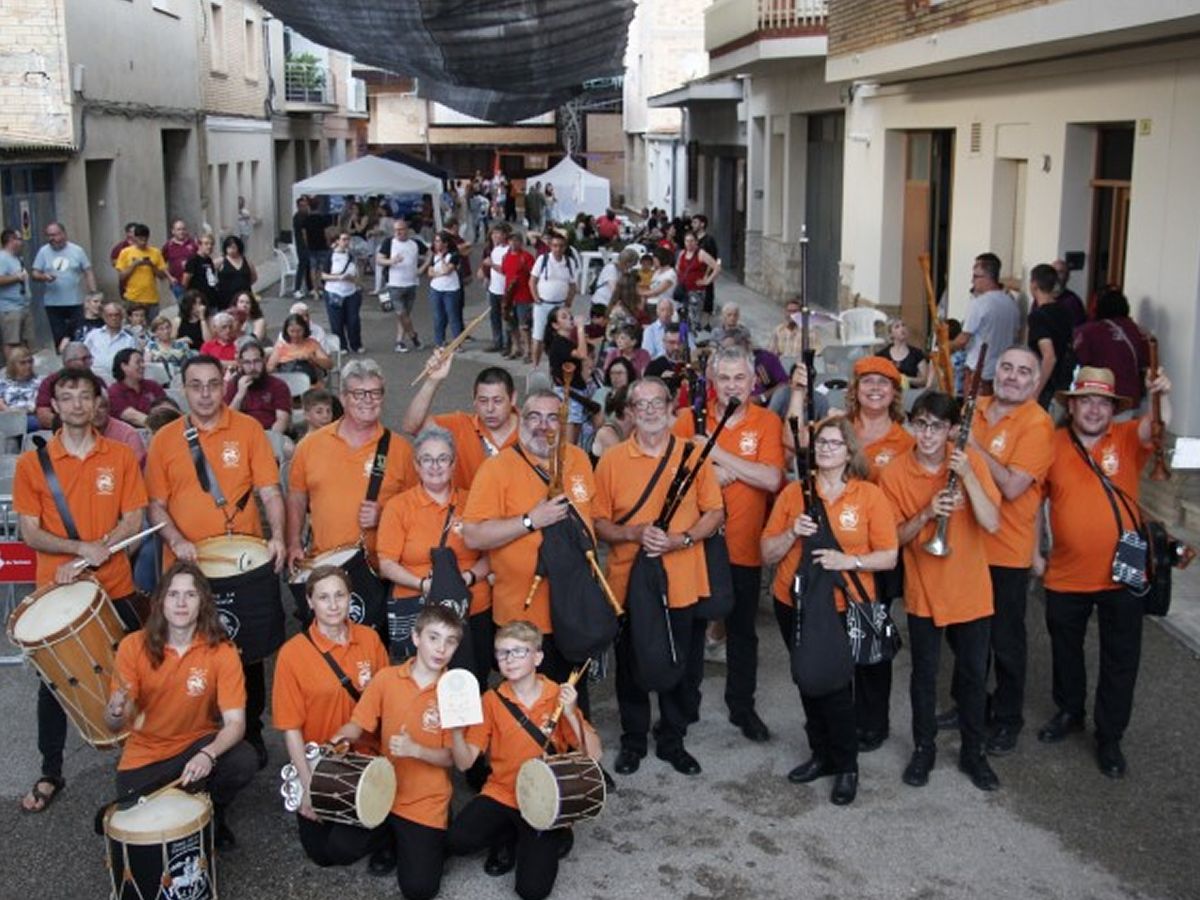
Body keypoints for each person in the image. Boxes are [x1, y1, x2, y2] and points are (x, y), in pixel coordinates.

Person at [14, 367, 147, 813]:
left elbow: (133, 519)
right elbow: (30, 531)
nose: (75, 405)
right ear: (54, 406)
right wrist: (77, 549)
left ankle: (143, 755)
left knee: (135, 669)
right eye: (66, 397)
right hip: (58, 591)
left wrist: (103, 548)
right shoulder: (32, 464)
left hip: (115, 584)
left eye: (84, 396)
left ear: (96, 404)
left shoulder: (121, 457)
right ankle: (51, 770)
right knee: (53, 684)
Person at [145, 354, 286, 765]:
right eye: (196, 385)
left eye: (212, 384)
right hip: (188, 567)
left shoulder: (247, 430)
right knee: (195, 650)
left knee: (249, 649)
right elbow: (155, 505)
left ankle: (252, 730)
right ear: (183, 389)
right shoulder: (165, 440)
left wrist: (277, 535)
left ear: (223, 384)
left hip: (242, 563)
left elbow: (270, 491)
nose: (205, 393)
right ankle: (202, 733)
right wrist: (176, 538)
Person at [1035, 365, 1171, 778]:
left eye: (1103, 402)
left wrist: (1163, 393)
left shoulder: (1128, 438)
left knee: (1121, 658)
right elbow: (1030, 505)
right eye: (1087, 400)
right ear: (1072, 405)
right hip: (1065, 573)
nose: (1094, 409)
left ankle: (1110, 736)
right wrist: (1033, 556)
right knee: (1065, 650)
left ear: (1113, 409)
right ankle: (1070, 710)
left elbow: (1159, 427)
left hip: (1123, 575)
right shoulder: (1052, 444)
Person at [761, 416, 898, 804]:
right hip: (797, 603)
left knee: (837, 686)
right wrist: (793, 533)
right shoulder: (793, 494)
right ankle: (820, 753)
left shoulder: (868, 496)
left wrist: (847, 561)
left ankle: (846, 765)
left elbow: (889, 557)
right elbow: (766, 552)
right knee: (807, 679)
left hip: (843, 605)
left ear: (850, 451)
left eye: (835, 443)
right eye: (821, 442)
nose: (825, 449)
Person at [594, 377, 724, 776]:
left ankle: (672, 737)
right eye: (641, 405)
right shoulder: (613, 461)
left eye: (657, 403)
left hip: (681, 577)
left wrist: (679, 539)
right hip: (627, 581)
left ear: (672, 408)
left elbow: (714, 514)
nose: (650, 411)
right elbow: (598, 522)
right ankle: (633, 740)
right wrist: (632, 533)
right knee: (631, 663)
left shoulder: (693, 455)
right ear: (630, 413)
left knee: (680, 662)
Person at [878, 391, 1002, 792]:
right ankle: (923, 748)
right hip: (924, 592)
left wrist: (966, 476)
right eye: (920, 423)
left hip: (971, 590)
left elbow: (993, 522)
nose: (927, 433)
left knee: (971, 677)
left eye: (936, 425)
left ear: (951, 429)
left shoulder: (970, 462)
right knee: (924, 677)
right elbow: (893, 538)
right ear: (911, 424)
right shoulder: (895, 473)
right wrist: (928, 512)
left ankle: (973, 752)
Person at [672, 347, 785, 743]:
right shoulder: (688, 419)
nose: (732, 385)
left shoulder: (767, 423)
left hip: (744, 546)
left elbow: (771, 479)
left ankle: (742, 706)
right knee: (691, 627)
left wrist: (716, 455)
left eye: (740, 378)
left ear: (753, 381)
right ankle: (684, 707)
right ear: (712, 381)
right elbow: (670, 471)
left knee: (742, 631)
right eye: (725, 378)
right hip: (696, 543)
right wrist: (709, 473)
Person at [105, 561, 258, 848]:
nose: (181, 603)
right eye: (174, 594)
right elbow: (113, 725)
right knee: (135, 817)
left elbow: (236, 724)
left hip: (196, 745)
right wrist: (115, 711)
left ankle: (216, 813)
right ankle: (188, 800)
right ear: (161, 601)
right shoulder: (132, 646)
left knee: (243, 760)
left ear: (202, 602)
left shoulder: (222, 651)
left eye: (190, 594)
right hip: (146, 755)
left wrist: (208, 755)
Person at [462, 390, 597, 708]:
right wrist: (529, 521)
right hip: (522, 615)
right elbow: (473, 535)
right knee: (529, 704)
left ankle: (576, 755)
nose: (543, 425)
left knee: (573, 699)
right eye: (534, 416)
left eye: (553, 417)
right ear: (520, 419)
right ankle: (530, 758)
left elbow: (594, 519)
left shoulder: (578, 459)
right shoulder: (497, 469)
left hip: (574, 610)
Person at [447, 621, 602, 896]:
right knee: (458, 840)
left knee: (532, 891)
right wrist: (457, 733)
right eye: (502, 652)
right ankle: (510, 834)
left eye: (519, 651)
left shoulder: (558, 694)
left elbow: (593, 755)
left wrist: (570, 712)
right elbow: (464, 763)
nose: (509, 659)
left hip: (545, 798)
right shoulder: (491, 700)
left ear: (538, 657)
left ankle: (555, 831)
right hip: (503, 792)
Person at [329, 606, 463, 898]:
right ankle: (390, 840)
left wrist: (416, 749)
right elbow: (358, 723)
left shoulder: (456, 691)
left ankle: (433, 829)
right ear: (415, 638)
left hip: (425, 800)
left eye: (450, 641)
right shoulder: (387, 678)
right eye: (433, 637)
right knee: (339, 848)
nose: (441, 648)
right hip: (383, 790)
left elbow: (453, 758)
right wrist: (340, 738)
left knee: (419, 890)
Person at [961, 345, 1054, 756]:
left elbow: (1014, 486)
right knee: (965, 635)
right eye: (1007, 368)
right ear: (995, 372)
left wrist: (971, 448)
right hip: (966, 543)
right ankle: (972, 705)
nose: (1013, 377)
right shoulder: (974, 406)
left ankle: (1008, 717)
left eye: (1023, 372)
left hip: (1007, 551)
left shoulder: (1037, 423)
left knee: (1005, 641)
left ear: (1035, 382)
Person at [271, 565, 392, 872]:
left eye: (340, 595)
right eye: (324, 597)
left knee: (342, 849)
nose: (334, 604)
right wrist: (309, 785)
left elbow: (386, 705)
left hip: (366, 759)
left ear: (351, 598)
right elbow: (290, 727)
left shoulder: (370, 640)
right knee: (321, 854)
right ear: (310, 602)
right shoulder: (292, 654)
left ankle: (391, 825)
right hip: (322, 763)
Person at [377, 427, 491, 677]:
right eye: (427, 459)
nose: (435, 466)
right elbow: (386, 563)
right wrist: (423, 584)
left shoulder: (473, 502)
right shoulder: (398, 507)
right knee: (421, 686)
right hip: (418, 607)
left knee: (472, 683)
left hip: (472, 608)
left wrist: (467, 579)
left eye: (442, 459)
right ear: (416, 465)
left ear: (453, 464)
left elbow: (490, 556)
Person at [286, 358, 416, 574]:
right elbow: (296, 497)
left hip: (380, 571)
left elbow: (416, 510)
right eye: (359, 394)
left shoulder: (401, 449)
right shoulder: (309, 445)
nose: (368, 400)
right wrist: (294, 543)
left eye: (375, 393)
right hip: (325, 568)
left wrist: (384, 516)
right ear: (343, 398)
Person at [403, 359, 519, 491]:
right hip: (469, 510)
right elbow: (411, 426)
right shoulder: (460, 425)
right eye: (483, 401)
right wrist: (432, 381)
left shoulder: (533, 430)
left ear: (513, 398)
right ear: (474, 400)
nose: (490, 408)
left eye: (498, 401)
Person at [950, 253, 1021, 395]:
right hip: (1003, 372)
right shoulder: (1011, 303)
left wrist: (944, 348)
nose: (972, 281)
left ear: (988, 277)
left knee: (974, 414)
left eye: (976, 276)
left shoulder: (979, 304)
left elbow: (963, 339)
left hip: (979, 373)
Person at [1072, 288, 1150, 409]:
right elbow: (1146, 362)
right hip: (1131, 397)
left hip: (1099, 396)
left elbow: (1078, 360)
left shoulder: (1089, 331)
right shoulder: (1138, 331)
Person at [31, 222, 97, 349]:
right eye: (49, 235)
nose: (52, 238)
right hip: (53, 303)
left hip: (75, 302)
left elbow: (88, 271)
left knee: (77, 336)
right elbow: (34, 273)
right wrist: (43, 277)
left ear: (63, 234)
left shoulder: (77, 250)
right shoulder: (43, 251)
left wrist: (93, 293)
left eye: (55, 235)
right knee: (60, 337)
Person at [1026, 264, 1075, 409]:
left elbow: (1049, 356)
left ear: (1034, 285)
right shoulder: (1065, 311)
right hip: (1064, 380)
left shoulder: (1038, 316)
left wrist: (1036, 391)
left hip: (1047, 385)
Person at [529, 232, 577, 368]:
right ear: (550, 246)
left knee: (559, 338)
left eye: (561, 246)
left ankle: (555, 367)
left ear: (565, 247)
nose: (557, 249)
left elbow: (573, 285)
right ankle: (535, 367)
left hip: (560, 305)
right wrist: (536, 298)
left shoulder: (569, 262)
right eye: (555, 246)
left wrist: (568, 303)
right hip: (542, 304)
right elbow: (532, 281)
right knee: (538, 336)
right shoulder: (542, 259)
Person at [225, 339, 291, 435]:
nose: (252, 367)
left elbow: (282, 420)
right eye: (247, 363)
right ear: (240, 364)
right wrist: (239, 395)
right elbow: (226, 420)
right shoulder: (233, 384)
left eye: (257, 361)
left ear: (264, 360)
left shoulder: (278, 385)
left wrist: (268, 439)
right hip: (240, 435)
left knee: (288, 449)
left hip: (270, 433)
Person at [379, 217, 425, 353]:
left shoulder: (415, 243)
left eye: (401, 230)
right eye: (396, 230)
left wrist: (422, 268)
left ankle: (399, 341)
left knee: (405, 315)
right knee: (401, 313)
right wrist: (391, 261)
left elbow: (429, 253)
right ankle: (414, 336)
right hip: (394, 284)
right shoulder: (389, 243)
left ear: (407, 230)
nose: (398, 232)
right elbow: (379, 259)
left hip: (411, 283)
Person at [544, 307, 589, 444]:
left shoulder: (567, 342)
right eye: (564, 316)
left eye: (570, 315)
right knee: (569, 443)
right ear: (555, 325)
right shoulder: (559, 343)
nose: (570, 318)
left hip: (575, 391)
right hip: (568, 394)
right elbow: (582, 354)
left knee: (575, 440)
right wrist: (580, 328)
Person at [115, 224, 170, 321]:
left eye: (145, 239)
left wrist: (151, 265)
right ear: (135, 238)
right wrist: (134, 264)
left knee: (153, 328)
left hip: (151, 298)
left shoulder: (155, 252)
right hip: (133, 298)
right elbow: (121, 276)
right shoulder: (125, 252)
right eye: (140, 239)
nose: (143, 242)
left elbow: (162, 276)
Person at [35, 342, 92, 429]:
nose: (89, 363)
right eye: (84, 359)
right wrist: (74, 424)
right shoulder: (49, 382)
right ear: (68, 362)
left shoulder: (96, 381)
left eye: (89, 358)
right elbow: (44, 416)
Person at [107, 347, 167, 428]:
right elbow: (132, 417)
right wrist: (161, 426)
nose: (143, 366)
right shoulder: (114, 391)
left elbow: (167, 408)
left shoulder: (152, 385)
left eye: (143, 362)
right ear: (124, 366)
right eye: (138, 362)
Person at [423, 231, 462, 349]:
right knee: (438, 316)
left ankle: (457, 342)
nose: (436, 244)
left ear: (445, 243)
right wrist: (438, 272)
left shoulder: (454, 255)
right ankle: (439, 341)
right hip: (436, 289)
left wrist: (442, 259)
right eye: (435, 241)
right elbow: (430, 272)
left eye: (439, 241)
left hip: (451, 290)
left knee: (453, 316)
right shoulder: (433, 256)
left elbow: (447, 270)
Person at [501, 230, 536, 361]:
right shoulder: (506, 256)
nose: (513, 243)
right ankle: (516, 348)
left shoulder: (526, 257)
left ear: (521, 243)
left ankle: (528, 351)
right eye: (511, 240)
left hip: (524, 296)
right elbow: (505, 272)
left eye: (516, 240)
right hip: (510, 296)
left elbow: (533, 274)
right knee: (511, 324)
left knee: (524, 326)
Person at [675, 231, 720, 325]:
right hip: (683, 290)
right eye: (687, 241)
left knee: (693, 319)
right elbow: (678, 268)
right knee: (682, 317)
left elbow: (716, 267)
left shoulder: (701, 253)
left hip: (696, 292)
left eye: (691, 241)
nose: (689, 244)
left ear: (696, 242)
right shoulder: (682, 253)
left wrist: (707, 281)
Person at [84, 300, 138, 376]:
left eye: (117, 315)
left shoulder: (129, 339)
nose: (114, 318)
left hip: (118, 377)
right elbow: (83, 354)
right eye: (110, 315)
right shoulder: (93, 335)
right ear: (104, 317)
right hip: (94, 376)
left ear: (122, 317)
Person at [480, 223, 511, 353]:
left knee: (507, 318)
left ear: (504, 235)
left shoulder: (508, 250)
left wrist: (491, 264)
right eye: (493, 234)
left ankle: (508, 344)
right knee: (494, 317)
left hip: (505, 289)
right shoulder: (494, 249)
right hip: (494, 288)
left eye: (498, 233)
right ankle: (497, 341)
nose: (495, 236)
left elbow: (506, 270)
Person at [877, 318, 930, 387]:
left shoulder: (917, 353)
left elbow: (924, 381)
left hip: (910, 393)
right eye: (897, 327)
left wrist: (907, 379)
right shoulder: (882, 355)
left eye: (903, 325)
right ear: (891, 334)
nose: (902, 328)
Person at [0, 347, 42, 429]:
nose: (28, 366)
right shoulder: (3, 383)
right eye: (23, 363)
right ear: (13, 365)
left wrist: (21, 413)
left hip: (30, 416)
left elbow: (38, 404)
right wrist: (10, 412)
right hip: (8, 417)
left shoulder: (40, 381)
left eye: (30, 362)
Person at [214, 235, 256, 313]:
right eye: (229, 247)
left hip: (243, 297)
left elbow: (254, 277)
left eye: (233, 247)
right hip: (226, 299)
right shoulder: (221, 261)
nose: (231, 250)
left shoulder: (247, 261)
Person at [181, 233, 221, 310]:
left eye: (211, 244)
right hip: (198, 302)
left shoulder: (209, 261)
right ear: (199, 245)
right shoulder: (193, 260)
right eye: (206, 244)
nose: (209, 247)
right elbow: (185, 281)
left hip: (211, 300)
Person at [161, 220, 198, 300]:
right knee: (183, 306)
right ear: (173, 231)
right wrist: (170, 277)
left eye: (183, 229)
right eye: (178, 229)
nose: (181, 232)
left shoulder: (193, 243)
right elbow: (161, 263)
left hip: (194, 283)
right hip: (177, 283)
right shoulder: (168, 246)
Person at [1051, 259, 1087, 327]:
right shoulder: (1041, 298)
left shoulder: (1073, 301)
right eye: (1053, 272)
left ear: (1067, 277)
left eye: (1060, 272)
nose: (1056, 276)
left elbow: (1079, 329)